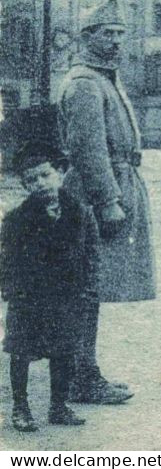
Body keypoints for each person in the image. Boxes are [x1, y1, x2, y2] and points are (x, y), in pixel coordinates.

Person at [58, 0, 151, 405]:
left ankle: (82, 372)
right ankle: (81, 377)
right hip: (94, 196)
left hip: (112, 185)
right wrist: (109, 200)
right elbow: (88, 148)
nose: (115, 40)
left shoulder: (104, 78)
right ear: (86, 37)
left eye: (119, 33)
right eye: (105, 33)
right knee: (85, 288)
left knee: (90, 287)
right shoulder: (84, 83)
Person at [1, 142, 95, 431]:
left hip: (67, 296)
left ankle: (58, 406)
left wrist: (89, 289)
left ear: (60, 173)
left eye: (45, 175)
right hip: (28, 297)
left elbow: (91, 256)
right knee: (22, 351)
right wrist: (11, 290)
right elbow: (6, 260)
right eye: (31, 180)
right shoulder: (16, 220)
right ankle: (20, 407)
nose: (39, 184)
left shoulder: (80, 213)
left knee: (65, 351)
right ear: (24, 186)